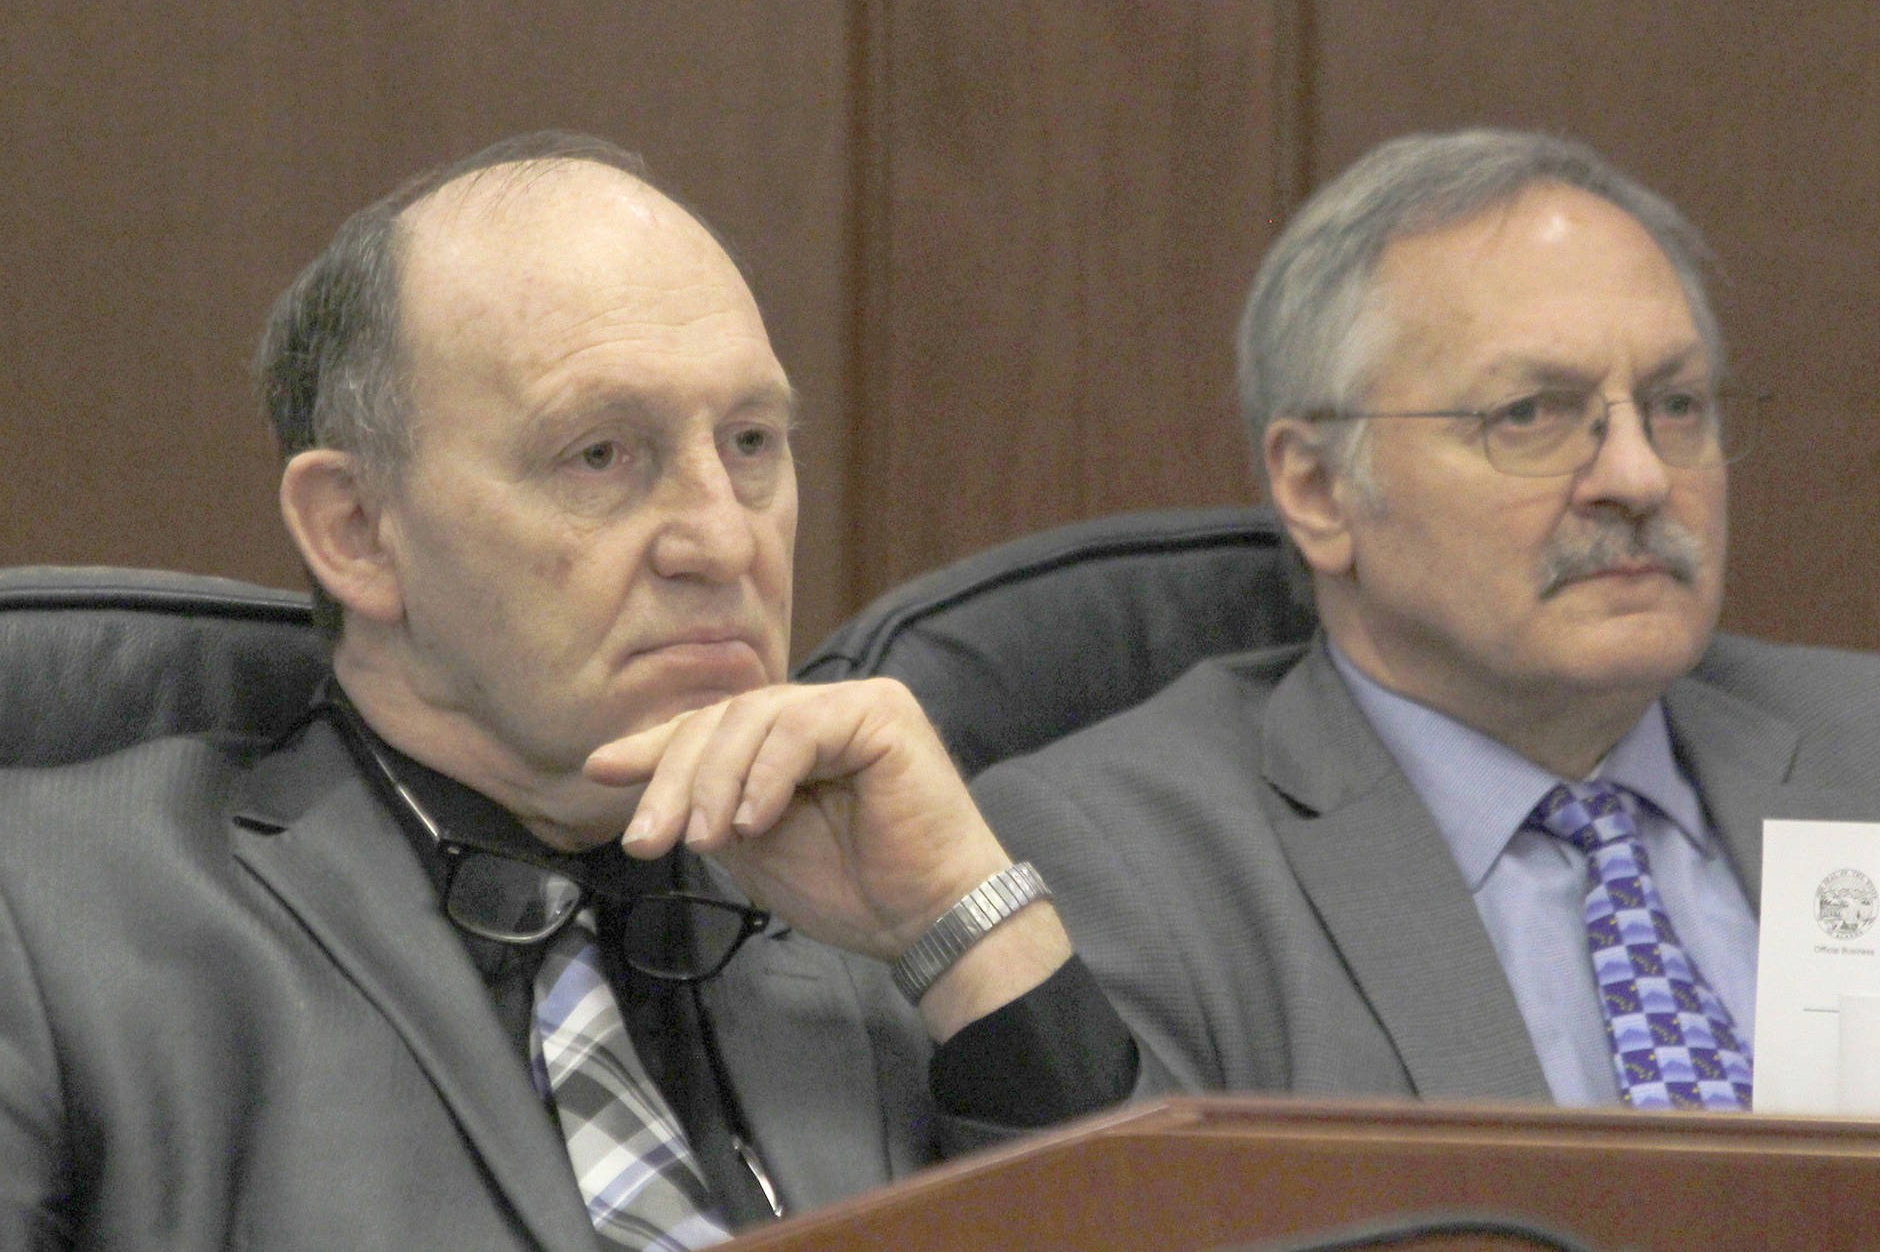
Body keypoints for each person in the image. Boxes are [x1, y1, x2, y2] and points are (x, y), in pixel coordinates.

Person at [0, 132, 1138, 1250]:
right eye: (600, 454)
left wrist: (960, 920)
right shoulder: (58, 918)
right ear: (356, 530)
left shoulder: (875, 910)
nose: (721, 538)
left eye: (750, 442)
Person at [973, 127, 1880, 1111]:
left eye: (1674, 404)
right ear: (1314, 488)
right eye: (1527, 414)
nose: (1635, 474)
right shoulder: (1126, 864)